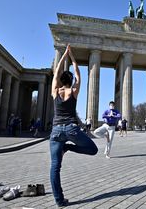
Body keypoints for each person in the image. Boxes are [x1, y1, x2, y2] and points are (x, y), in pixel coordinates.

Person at [50, 44, 98, 207]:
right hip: (71, 129)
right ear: (71, 81)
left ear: (61, 81)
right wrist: (72, 56)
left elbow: (56, 72)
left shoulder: (55, 91)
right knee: (93, 149)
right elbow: (77, 72)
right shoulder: (73, 92)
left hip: (56, 130)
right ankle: (69, 148)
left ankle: (59, 200)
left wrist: (63, 55)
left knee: (55, 167)